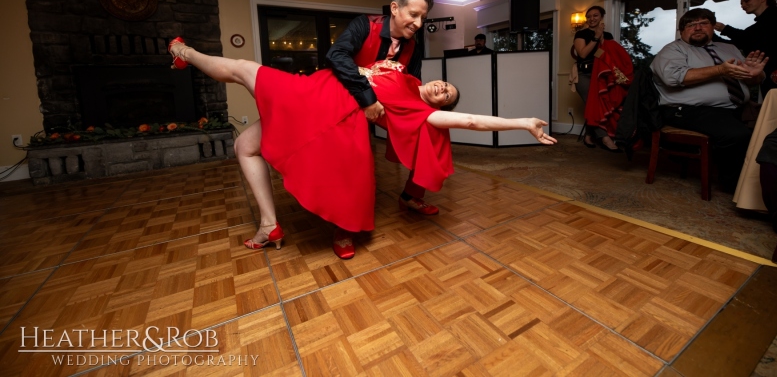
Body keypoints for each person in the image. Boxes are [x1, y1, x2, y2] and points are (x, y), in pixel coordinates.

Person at [169, 40, 556, 260]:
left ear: (439, 108)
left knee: (241, 69)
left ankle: (183, 53)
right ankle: (269, 224)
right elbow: (360, 55)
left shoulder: (421, 113)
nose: (443, 90)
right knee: (244, 145)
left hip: (322, 109)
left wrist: (521, 123)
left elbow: (471, 121)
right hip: (317, 90)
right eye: (445, 86)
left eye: (447, 98)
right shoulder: (401, 72)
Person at [326, 0, 441, 219]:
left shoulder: (413, 45)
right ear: (395, 8)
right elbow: (336, 55)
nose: (418, 23)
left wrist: (427, 111)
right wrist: (367, 99)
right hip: (349, 100)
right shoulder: (364, 25)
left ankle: (410, 195)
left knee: (432, 131)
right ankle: (344, 223)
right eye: (413, 14)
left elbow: (412, 81)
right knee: (355, 158)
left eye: (423, 17)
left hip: (385, 106)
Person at [651, 8, 767, 192]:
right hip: (687, 110)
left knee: (771, 132)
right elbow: (672, 78)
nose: (697, 28)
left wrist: (755, 75)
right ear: (682, 31)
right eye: (691, 25)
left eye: (703, 23)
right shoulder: (673, 50)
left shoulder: (729, 48)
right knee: (736, 135)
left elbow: (752, 80)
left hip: (737, 107)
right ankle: (736, 187)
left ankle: (767, 183)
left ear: (712, 27)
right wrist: (720, 70)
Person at [714, 0, 777, 93]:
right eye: (741, 3)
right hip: (768, 77)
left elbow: (754, 34)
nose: (743, 5)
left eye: (747, 0)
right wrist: (711, 36)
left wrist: (724, 29)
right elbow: (739, 43)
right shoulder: (753, 31)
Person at [572, 6, 627, 151]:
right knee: (594, 104)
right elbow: (583, 54)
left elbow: (608, 55)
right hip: (584, 75)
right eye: (588, 16)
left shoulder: (607, 35)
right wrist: (596, 37)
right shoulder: (581, 34)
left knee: (600, 105)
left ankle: (589, 135)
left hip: (602, 75)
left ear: (601, 17)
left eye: (595, 15)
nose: (591, 19)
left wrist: (602, 37)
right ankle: (605, 139)